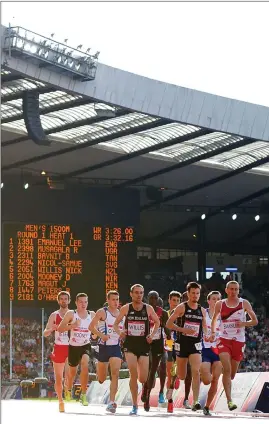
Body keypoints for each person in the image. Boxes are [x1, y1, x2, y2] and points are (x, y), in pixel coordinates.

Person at [211, 281, 258, 411]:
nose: (233, 291)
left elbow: (255, 321)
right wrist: (214, 333)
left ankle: (227, 383)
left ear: (239, 290)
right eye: (231, 289)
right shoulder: (220, 304)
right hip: (223, 339)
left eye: (236, 289)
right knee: (226, 369)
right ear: (226, 290)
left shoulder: (244, 303)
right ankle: (229, 400)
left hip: (238, 340)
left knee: (231, 374)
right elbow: (215, 319)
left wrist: (243, 323)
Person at [113, 284, 160, 415]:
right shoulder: (126, 308)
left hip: (144, 345)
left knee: (143, 378)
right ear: (131, 294)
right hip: (130, 345)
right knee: (133, 374)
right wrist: (120, 332)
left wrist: (151, 334)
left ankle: (142, 387)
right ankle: (135, 405)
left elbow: (157, 322)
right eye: (136, 293)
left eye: (141, 293)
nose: (139, 295)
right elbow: (116, 324)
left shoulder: (148, 308)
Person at [167, 282, 207, 412]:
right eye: (193, 293)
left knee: (196, 371)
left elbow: (205, 328)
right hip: (181, 344)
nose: (195, 295)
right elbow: (169, 324)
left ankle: (195, 401)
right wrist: (183, 329)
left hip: (195, 345)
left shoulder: (202, 310)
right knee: (182, 375)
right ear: (188, 294)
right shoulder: (181, 307)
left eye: (197, 293)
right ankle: (177, 372)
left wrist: (209, 335)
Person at [89, 290, 124, 413]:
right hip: (103, 347)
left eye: (117, 299)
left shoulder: (122, 314)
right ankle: (98, 365)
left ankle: (111, 402)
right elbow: (90, 327)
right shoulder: (102, 312)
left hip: (115, 347)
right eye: (113, 299)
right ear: (108, 300)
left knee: (115, 373)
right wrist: (100, 335)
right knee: (102, 379)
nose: (115, 302)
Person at [58, 292, 95, 406]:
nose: (83, 304)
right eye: (81, 302)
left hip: (85, 345)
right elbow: (60, 329)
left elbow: (95, 332)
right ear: (76, 303)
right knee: (72, 373)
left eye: (85, 302)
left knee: (85, 364)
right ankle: (68, 389)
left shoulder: (92, 314)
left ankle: (84, 394)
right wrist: (72, 326)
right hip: (73, 346)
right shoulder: (71, 314)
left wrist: (95, 334)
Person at [141, 291, 170, 411]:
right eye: (151, 298)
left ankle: (146, 397)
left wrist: (169, 347)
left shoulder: (162, 313)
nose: (153, 300)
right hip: (145, 342)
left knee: (153, 370)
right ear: (147, 298)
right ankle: (144, 389)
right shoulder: (143, 310)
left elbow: (168, 331)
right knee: (146, 370)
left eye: (155, 298)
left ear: (158, 299)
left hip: (158, 343)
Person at [44, 291, 70, 412]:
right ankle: (60, 401)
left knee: (69, 377)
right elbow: (45, 333)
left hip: (71, 347)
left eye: (66, 299)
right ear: (58, 301)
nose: (64, 301)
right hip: (59, 347)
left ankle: (67, 388)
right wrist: (51, 329)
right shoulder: (54, 315)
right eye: (62, 299)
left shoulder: (73, 314)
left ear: (69, 301)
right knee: (59, 378)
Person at [200, 291, 223, 416]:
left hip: (218, 350)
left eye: (218, 299)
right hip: (205, 349)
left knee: (215, 380)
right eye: (213, 299)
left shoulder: (224, 314)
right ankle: (197, 375)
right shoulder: (204, 312)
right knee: (207, 380)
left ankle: (207, 407)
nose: (216, 301)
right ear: (208, 301)